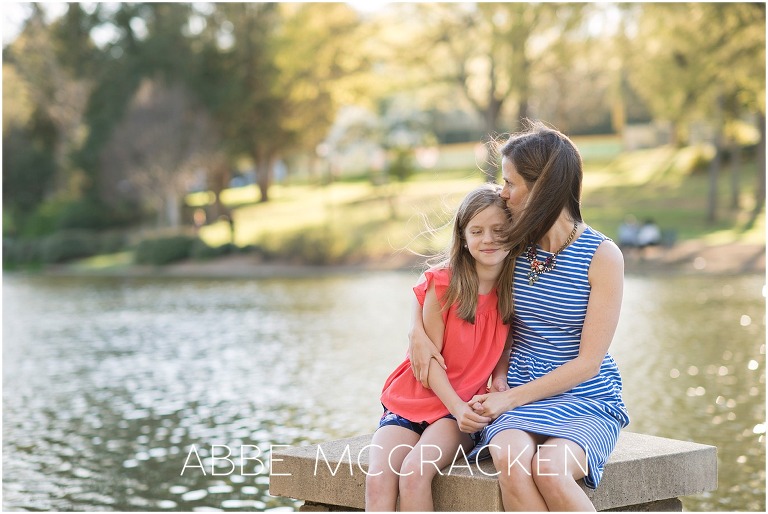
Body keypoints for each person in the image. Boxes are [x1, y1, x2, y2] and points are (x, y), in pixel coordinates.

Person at [408, 121, 630, 511]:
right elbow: (446, 277)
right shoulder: (514, 246)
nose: (502, 193)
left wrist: (508, 400)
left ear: (542, 185)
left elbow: (589, 363)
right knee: (510, 461)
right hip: (517, 389)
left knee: (549, 470)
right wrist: (416, 329)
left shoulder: (602, 256)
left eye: (510, 183)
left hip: (582, 396)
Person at [366, 184, 516, 511]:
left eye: (498, 230)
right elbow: (428, 360)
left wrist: (499, 377)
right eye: (476, 231)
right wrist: (457, 407)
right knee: (378, 478)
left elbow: (504, 344)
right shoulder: (444, 284)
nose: (488, 239)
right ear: (463, 237)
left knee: (414, 473)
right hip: (417, 396)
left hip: (457, 410)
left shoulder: (514, 287)